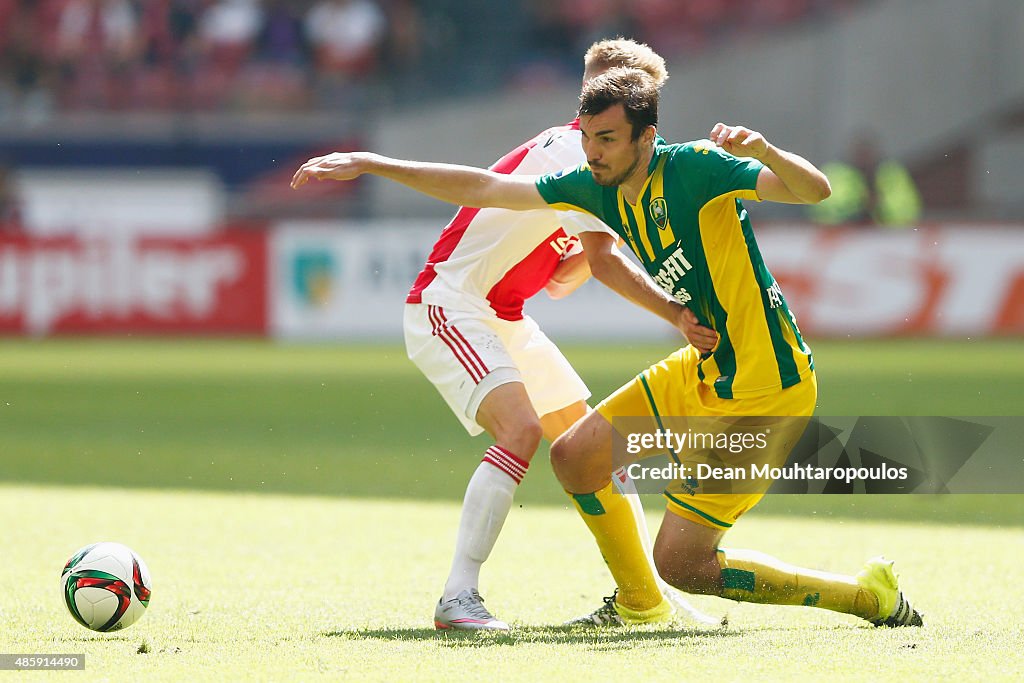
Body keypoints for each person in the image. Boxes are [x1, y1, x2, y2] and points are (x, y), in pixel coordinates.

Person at [290, 67, 922, 629]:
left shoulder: (700, 167)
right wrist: (374, 163)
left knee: (683, 565)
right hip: (701, 370)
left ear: (646, 137)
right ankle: (634, 604)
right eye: (588, 138)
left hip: (767, 391)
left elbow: (814, 192)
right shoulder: (594, 185)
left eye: (607, 140)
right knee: (576, 456)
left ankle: (864, 599)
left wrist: (767, 152)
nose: (591, 154)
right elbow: (484, 188)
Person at [296, 40, 710, 631]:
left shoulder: (588, 158)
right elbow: (588, 252)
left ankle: (640, 595)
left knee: (595, 444)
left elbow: (572, 271)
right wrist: (673, 312)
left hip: (502, 314)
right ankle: (457, 598)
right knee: (521, 430)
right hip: (450, 302)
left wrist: (585, 251)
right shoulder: (579, 154)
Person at [809, 130, 922, 227]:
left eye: (867, 153)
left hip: (886, 236)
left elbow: (907, 211)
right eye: (861, 153)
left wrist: (880, 206)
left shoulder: (891, 173)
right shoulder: (837, 172)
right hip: (843, 236)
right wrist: (858, 205)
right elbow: (824, 210)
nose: (864, 158)